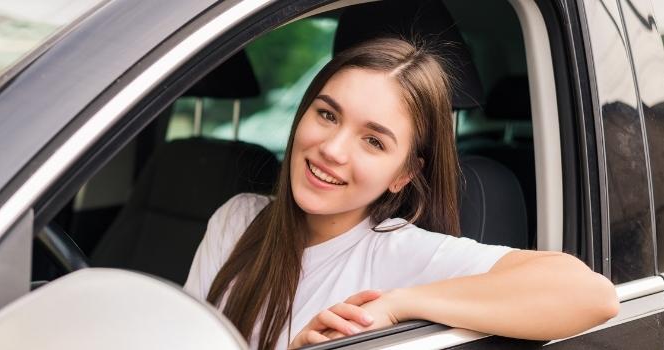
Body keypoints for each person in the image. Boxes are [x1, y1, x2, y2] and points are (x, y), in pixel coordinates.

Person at [183, 38, 618, 350]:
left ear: (403, 174)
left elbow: (592, 295)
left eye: (374, 141)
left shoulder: (398, 253)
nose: (332, 149)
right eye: (327, 114)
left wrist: (395, 307)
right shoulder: (237, 219)